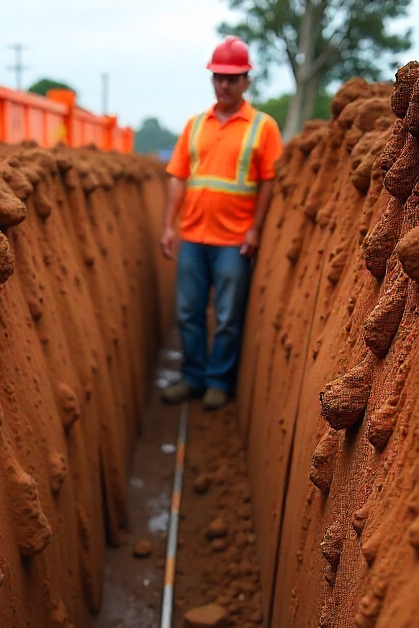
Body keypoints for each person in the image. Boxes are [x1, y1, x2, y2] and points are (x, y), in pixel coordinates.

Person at [160, 36, 283, 410]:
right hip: (194, 236)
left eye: (232, 78)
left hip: (234, 241)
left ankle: (218, 382)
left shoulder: (263, 127)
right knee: (189, 312)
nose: (224, 85)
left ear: (247, 80)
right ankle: (194, 377)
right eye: (218, 78)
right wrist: (169, 226)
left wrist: (255, 229)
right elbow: (178, 176)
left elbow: (268, 182)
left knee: (228, 317)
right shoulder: (196, 126)